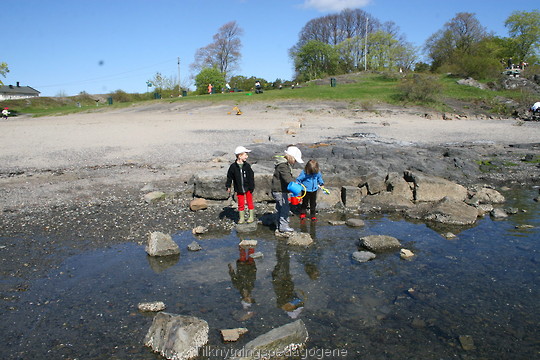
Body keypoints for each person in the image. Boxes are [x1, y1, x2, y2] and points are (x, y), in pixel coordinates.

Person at [271, 145, 303, 232]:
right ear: (291, 157)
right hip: (279, 190)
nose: (295, 162)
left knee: (280, 207)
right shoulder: (283, 166)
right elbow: (287, 178)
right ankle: (283, 226)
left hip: (279, 190)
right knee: (284, 208)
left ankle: (278, 223)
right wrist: (295, 184)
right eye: (295, 160)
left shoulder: (283, 164)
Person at [226, 146, 255, 224]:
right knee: (241, 202)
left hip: (248, 187)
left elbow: (251, 177)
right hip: (239, 188)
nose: (247, 156)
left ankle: (251, 216)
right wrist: (228, 185)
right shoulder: (233, 167)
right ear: (240, 156)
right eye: (245, 155)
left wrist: (252, 187)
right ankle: (241, 218)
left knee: (249, 202)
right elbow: (229, 177)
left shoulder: (247, 166)